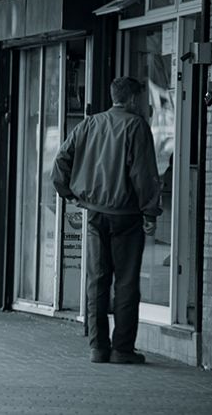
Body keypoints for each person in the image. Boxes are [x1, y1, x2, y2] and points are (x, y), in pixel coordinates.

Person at [52, 77, 162, 365]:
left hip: (95, 214)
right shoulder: (136, 125)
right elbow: (143, 173)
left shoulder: (89, 124)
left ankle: (98, 348)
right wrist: (150, 212)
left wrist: (68, 194)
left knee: (97, 281)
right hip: (126, 216)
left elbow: (62, 159)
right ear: (133, 99)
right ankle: (122, 349)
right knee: (125, 283)